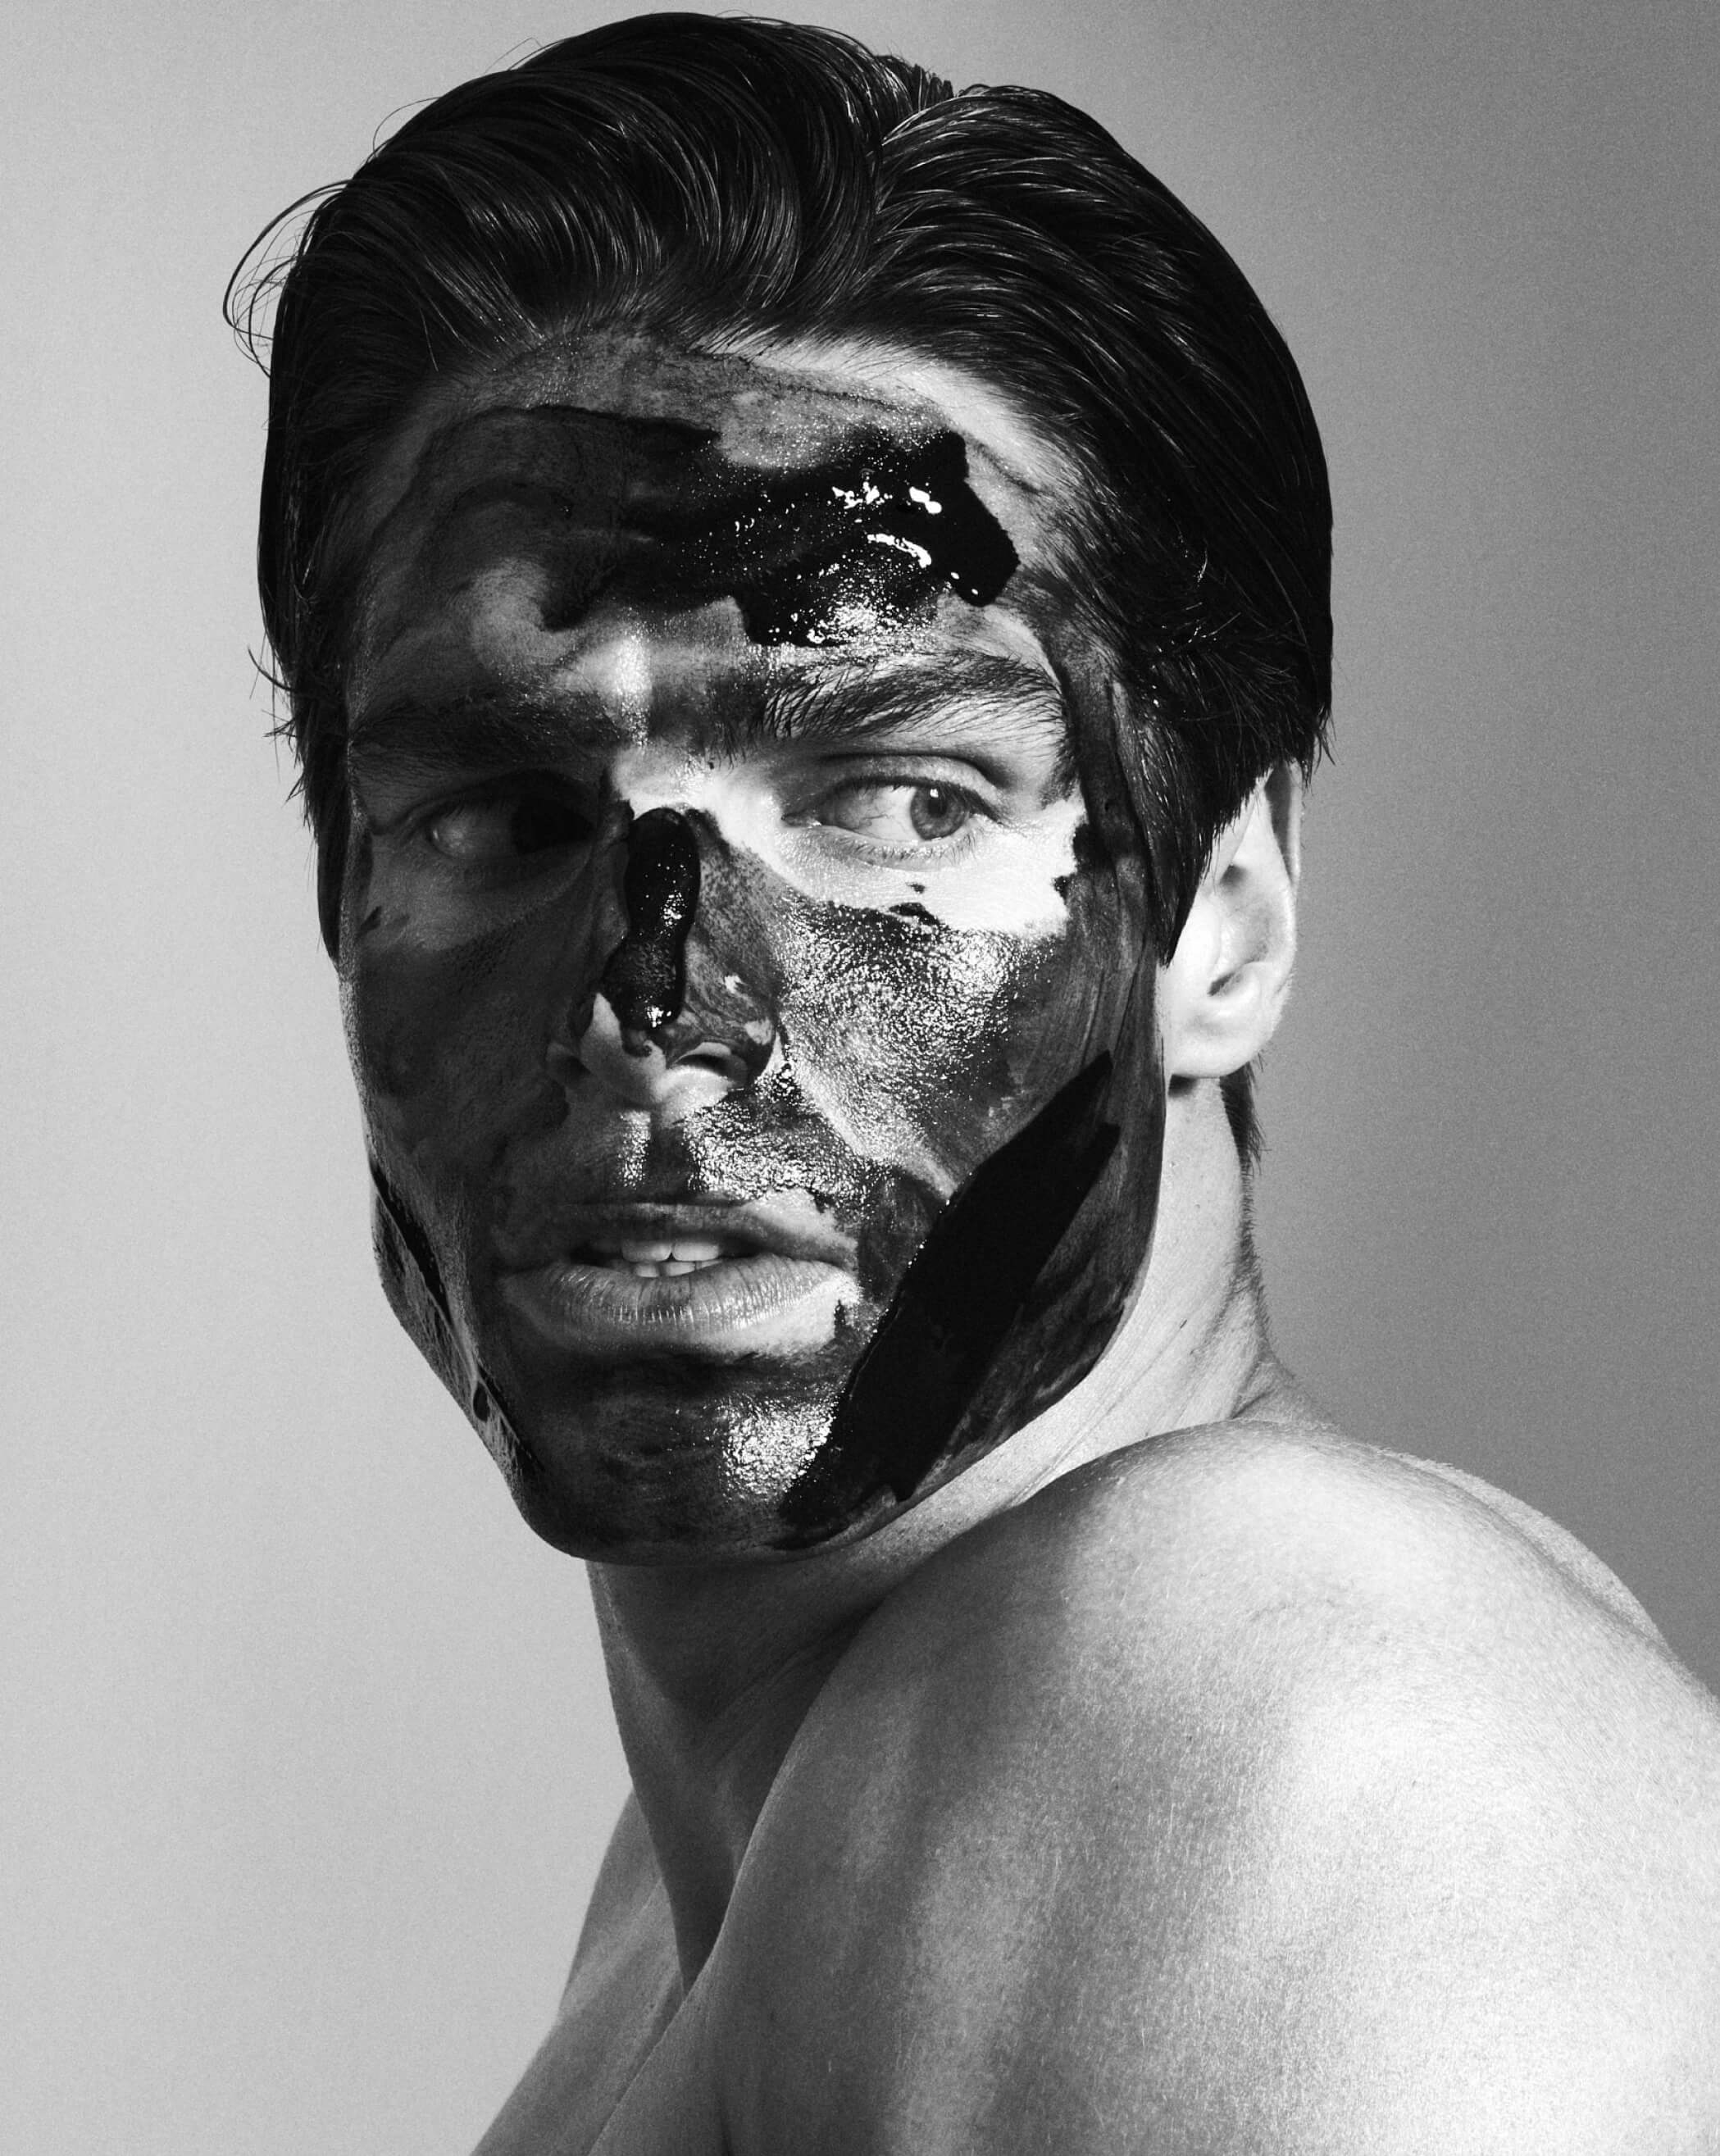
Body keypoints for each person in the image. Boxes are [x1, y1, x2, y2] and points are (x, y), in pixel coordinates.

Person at [236, 16, 1720, 2148]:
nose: (657, 1006)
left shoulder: (1281, 1698)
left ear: (1224, 920)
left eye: (899, 801)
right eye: (503, 816)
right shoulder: (710, 1891)